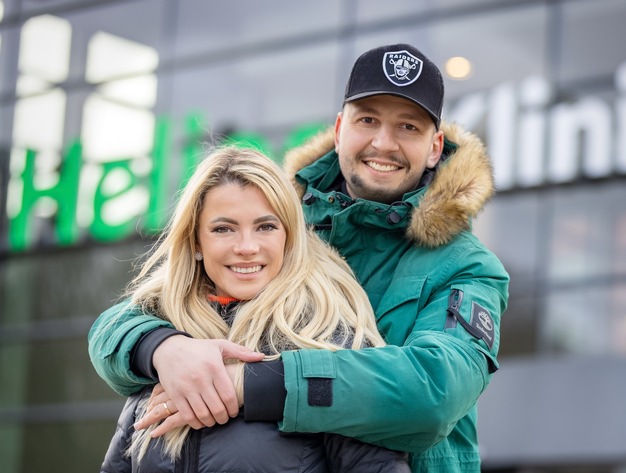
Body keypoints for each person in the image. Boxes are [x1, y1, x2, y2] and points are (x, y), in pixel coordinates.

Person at [89, 43, 509, 473]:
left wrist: (248, 385)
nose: (384, 143)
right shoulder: (279, 223)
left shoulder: (468, 266)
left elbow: (434, 394)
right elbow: (132, 315)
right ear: (340, 128)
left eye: (408, 127)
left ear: (436, 146)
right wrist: (162, 347)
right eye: (368, 120)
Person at [96, 146, 411, 472]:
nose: (246, 247)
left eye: (265, 227)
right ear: (196, 243)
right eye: (223, 229)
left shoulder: (327, 339)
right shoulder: (162, 335)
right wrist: (160, 348)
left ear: (289, 238)